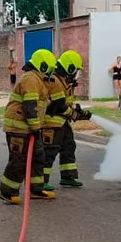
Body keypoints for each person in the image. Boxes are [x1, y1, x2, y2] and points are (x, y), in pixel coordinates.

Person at [0, 49, 57, 204]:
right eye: (50, 69)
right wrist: (36, 127)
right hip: (18, 128)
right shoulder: (31, 79)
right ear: (43, 66)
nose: (51, 73)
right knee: (19, 160)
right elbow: (29, 106)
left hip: (28, 127)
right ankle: (8, 191)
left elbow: (41, 103)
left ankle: (35, 189)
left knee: (38, 156)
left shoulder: (38, 80)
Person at [42, 50, 92, 191]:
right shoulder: (56, 81)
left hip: (62, 123)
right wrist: (74, 115)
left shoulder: (65, 82)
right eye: (75, 70)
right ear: (69, 67)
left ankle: (68, 176)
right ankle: (41, 181)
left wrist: (76, 112)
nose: (76, 73)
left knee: (68, 147)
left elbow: (67, 104)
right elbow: (60, 106)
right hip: (51, 123)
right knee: (49, 151)